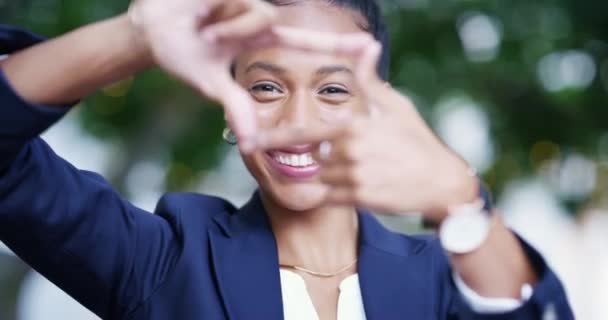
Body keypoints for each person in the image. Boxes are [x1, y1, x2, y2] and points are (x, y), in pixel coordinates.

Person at [0, 0, 574, 319]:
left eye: (332, 90)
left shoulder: (442, 279)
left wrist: (459, 199)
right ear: (230, 109)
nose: (298, 120)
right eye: (268, 88)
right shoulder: (163, 262)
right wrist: (135, 38)